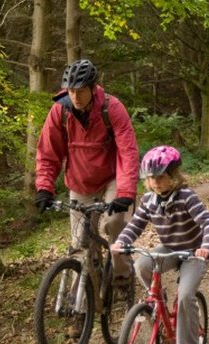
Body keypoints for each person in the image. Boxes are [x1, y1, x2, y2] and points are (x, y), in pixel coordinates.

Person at [34, 58, 140, 288]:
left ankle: (122, 276)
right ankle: (80, 303)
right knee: (79, 243)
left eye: (81, 91)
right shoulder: (60, 111)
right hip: (80, 183)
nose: (75, 96)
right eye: (71, 90)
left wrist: (126, 192)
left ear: (93, 88)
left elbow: (128, 152)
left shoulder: (112, 108)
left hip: (113, 179)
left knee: (114, 223)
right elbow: (48, 153)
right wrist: (44, 187)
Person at [111, 146, 209, 344]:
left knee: (187, 294)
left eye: (161, 177)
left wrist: (206, 246)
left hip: (193, 252)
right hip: (169, 247)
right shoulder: (149, 200)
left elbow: (208, 222)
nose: (156, 183)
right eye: (151, 178)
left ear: (173, 176)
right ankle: (158, 301)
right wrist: (122, 241)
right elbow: (136, 224)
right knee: (142, 265)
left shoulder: (186, 196)